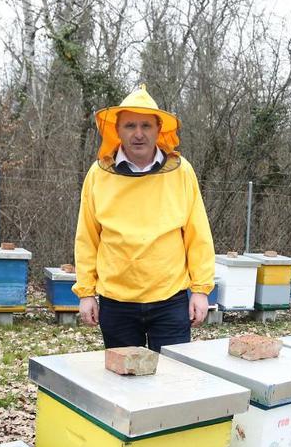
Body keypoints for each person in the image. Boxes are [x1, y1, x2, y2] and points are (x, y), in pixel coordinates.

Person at [74, 85, 215, 351]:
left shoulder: (181, 172)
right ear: (117, 130)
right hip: (116, 301)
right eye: (130, 126)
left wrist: (200, 289)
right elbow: (87, 237)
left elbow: (198, 234)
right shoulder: (98, 174)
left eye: (146, 126)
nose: (138, 134)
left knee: (172, 382)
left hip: (170, 299)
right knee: (125, 384)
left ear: (158, 129)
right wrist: (86, 292)